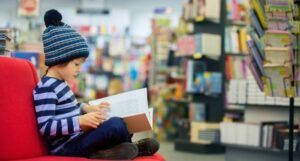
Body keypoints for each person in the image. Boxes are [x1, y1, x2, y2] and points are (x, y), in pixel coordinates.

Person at [33, 9, 159, 160]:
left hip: (77, 137)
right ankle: (132, 149)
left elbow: (68, 109)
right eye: (77, 64)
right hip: (66, 147)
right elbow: (46, 127)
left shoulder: (60, 83)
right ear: (59, 60)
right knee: (115, 125)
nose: (80, 70)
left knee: (121, 122)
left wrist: (86, 108)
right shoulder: (46, 88)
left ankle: (115, 151)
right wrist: (80, 122)